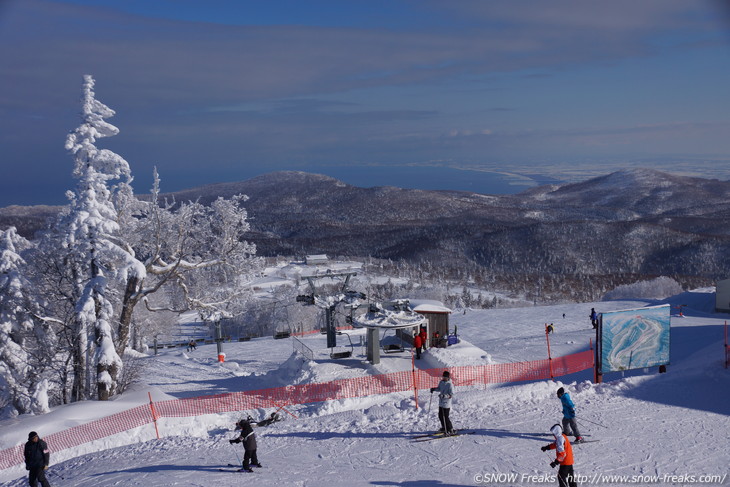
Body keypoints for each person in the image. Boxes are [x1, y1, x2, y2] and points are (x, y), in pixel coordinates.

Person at [429, 370, 455, 435]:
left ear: (448, 377)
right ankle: (444, 427)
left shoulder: (450, 384)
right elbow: (439, 389)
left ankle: (450, 429)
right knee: (440, 416)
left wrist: (444, 396)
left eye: (445, 377)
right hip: (441, 402)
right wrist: (434, 389)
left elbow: (451, 394)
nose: (443, 378)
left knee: (445, 417)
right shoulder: (441, 382)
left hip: (446, 403)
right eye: (443, 377)